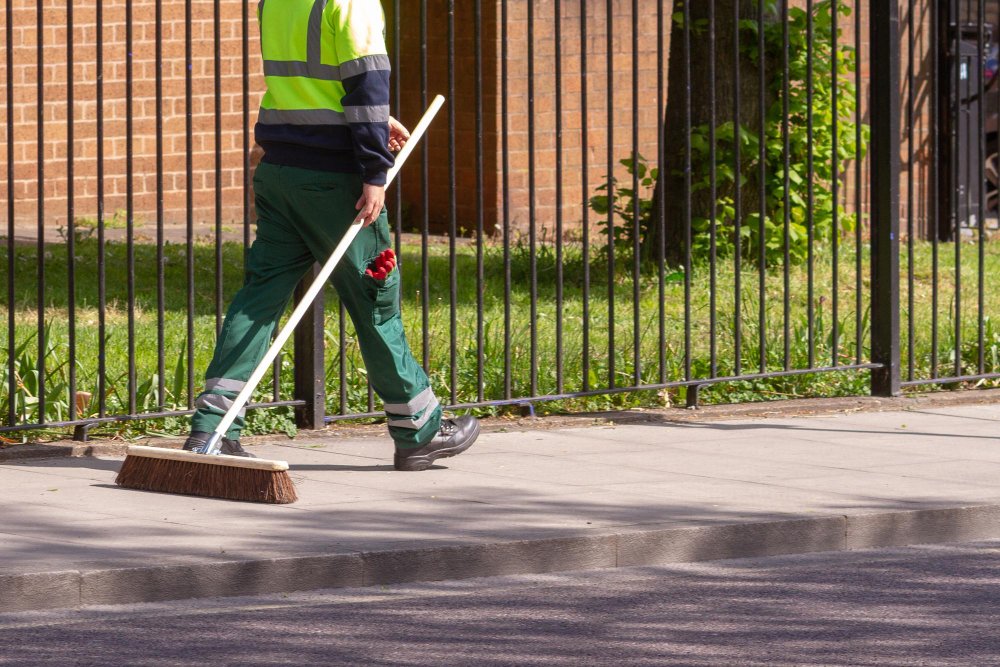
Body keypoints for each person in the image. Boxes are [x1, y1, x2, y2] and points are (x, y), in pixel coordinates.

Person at [183, 0, 479, 471]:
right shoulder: (351, 3)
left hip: (280, 171)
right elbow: (365, 85)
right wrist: (374, 170)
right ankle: (419, 431)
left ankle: (210, 428)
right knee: (375, 300)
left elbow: (310, 87)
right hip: (335, 183)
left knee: (259, 298)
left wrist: (375, 124)